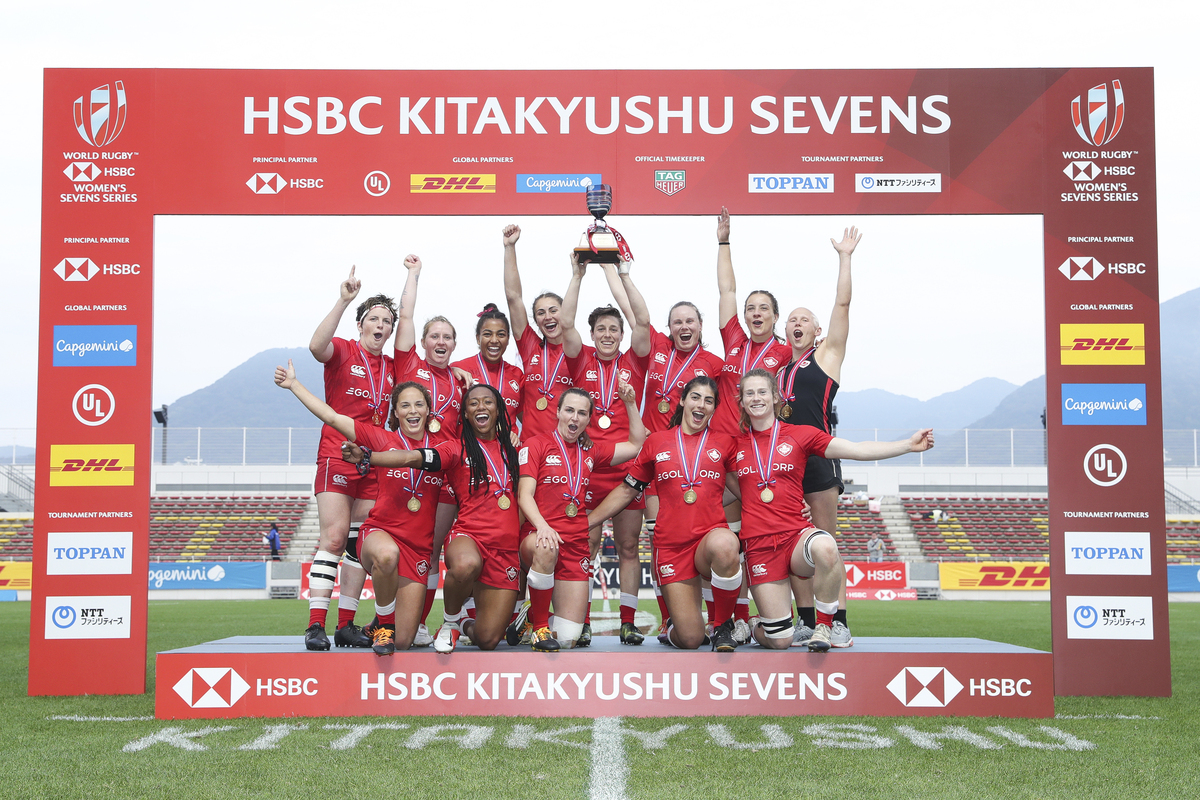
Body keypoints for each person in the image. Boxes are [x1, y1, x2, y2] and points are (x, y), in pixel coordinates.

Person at [732, 369, 933, 651]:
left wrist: (907, 446)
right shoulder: (732, 445)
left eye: (762, 391)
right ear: (740, 401)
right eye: (749, 393)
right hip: (759, 545)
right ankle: (756, 626)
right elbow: (722, 481)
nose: (756, 398)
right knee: (779, 641)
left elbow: (856, 449)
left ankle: (824, 626)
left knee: (826, 545)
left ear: (776, 397)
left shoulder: (801, 435)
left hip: (795, 537)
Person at [276, 361, 443, 655]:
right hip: (380, 537)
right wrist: (294, 385)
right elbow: (332, 416)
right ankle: (383, 627)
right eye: (404, 406)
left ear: (429, 410)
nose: (412, 411)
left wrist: (370, 458)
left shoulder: (446, 446)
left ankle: (375, 628)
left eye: (419, 404)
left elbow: (413, 459)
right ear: (395, 412)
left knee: (404, 642)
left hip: (417, 549)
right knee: (386, 555)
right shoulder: (382, 438)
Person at [343, 383, 523, 654]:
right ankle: (450, 621)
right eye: (473, 403)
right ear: (464, 414)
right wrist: (371, 457)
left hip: (505, 551)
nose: (481, 407)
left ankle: (463, 624)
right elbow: (411, 457)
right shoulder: (455, 449)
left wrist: (584, 439)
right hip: (469, 538)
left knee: (487, 640)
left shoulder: (516, 450)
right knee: (463, 565)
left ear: (499, 410)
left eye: (488, 402)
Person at [587, 376, 743, 651]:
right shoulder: (657, 442)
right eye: (695, 397)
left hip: (707, 542)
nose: (701, 405)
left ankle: (722, 626)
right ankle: (673, 628)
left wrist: (791, 506)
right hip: (672, 549)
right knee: (691, 639)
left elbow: (746, 490)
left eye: (709, 401)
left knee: (726, 543)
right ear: (683, 401)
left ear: (714, 408)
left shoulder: (726, 443)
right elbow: (627, 490)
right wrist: (588, 522)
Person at [777, 226, 862, 648]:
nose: (797, 323)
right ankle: (808, 621)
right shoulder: (776, 374)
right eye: (791, 320)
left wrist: (844, 257)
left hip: (818, 460)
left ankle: (839, 621)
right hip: (783, 466)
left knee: (826, 539)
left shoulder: (826, 358)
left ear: (816, 332)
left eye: (804, 319)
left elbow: (842, 304)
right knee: (794, 543)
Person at [303, 267, 396, 651]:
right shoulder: (343, 350)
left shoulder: (391, 368)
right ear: (360, 324)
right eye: (373, 318)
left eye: (386, 321)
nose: (380, 325)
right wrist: (344, 299)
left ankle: (346, 625)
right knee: (335, 537)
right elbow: (315, 347)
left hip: (372, 461)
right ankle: (315, 626)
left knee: (359, 544)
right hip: (336, 455)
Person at [563, 258, 653, 644]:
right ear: (592, 333)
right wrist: (578, 275)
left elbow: (644, 322)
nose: (607, 334)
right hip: (586, 469)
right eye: (600, 329)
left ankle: (628, 621)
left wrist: (623, 275)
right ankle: (580, 622)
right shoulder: (579, 358)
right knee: (588, 545)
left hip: (625, 470)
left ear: (621, 333)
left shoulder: (634, 360)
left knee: (630, 546)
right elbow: (565, 324)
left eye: (614, 329)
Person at [516, 385, 645, 651]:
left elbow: (636, 444)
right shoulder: (536, 444)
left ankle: (529, 617)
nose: (575, 418)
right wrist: (543, 527)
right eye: (570, 411)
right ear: (558, 412)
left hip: (575, 544)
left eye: (582, 413)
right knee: (546, 546)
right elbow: (524, 495)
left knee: (568, 638)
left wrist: (630, 403)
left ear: (589, 419)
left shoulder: (591, 452)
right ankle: (540, 628)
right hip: (538, 537)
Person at [392, 253, 467, 647]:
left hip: (442, 479)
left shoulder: (460, 382)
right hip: (405, 473)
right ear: (423, 343)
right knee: (403, 546)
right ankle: (391, 618)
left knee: (432, 548)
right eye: (434, 336)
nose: (440, 341)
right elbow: (404, 317)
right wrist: (413, 274)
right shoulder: (408, 366)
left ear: (455, 344)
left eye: (447, 337)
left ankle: (421, 621)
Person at [502, 224, 585, 440]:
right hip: (531, 444)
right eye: (540, 313)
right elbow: (513, 298)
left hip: (565, 446)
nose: (547, 317)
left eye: (553, 310)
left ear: (564, 312)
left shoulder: (581, 353)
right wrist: (509, 248)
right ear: (536, 321)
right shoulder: (530, 346)